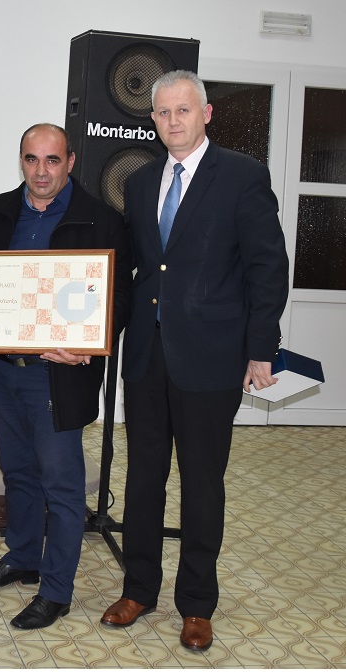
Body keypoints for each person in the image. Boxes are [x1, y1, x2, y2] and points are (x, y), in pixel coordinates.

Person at [100, 71, 289, 651]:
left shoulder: (243, 176)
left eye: (183, 110)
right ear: (152, 120)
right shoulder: (140, 182)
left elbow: (267, 268)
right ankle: (139, 588)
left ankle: (197, 604)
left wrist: (261, 349)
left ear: (205, 114)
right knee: (143, 478)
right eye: (162, 112)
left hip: (211, 357)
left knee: (202, 483)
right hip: (147, 355)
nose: (172, 120)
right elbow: (138, 269)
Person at [0, 123, 132, 629]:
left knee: (62, 485)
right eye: (32, 159)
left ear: (70, 161)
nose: (42, 171)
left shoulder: (102, 220)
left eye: (52, 160)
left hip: (58, 375)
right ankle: (24, 557)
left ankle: (56, 591)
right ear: (21, 161)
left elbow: (120, 299)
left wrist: (87, 345)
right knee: (17, 473)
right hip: (4, 370)